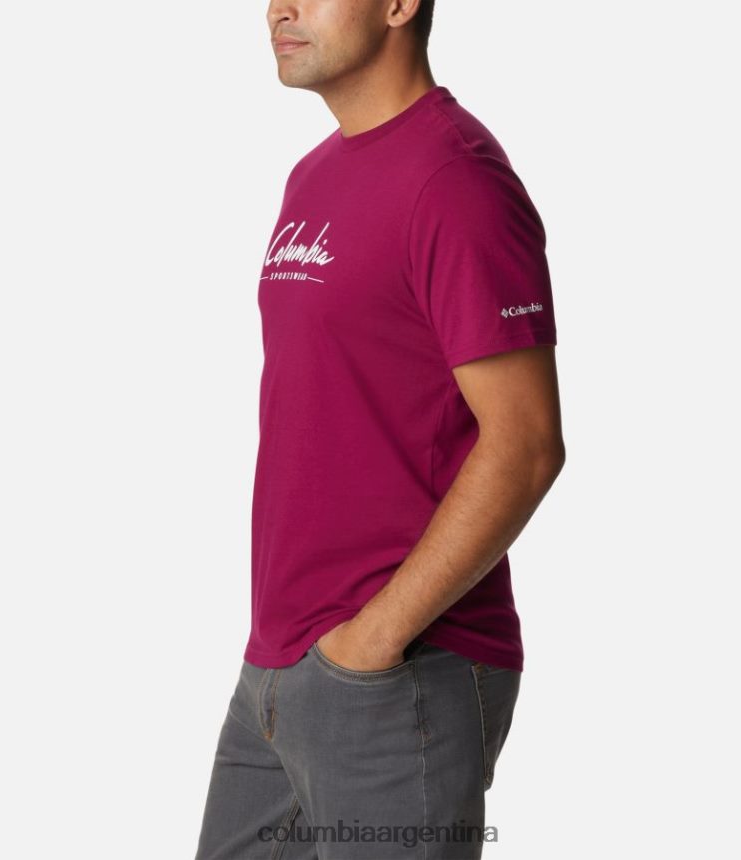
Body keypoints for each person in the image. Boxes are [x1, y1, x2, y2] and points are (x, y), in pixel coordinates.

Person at [195, 1, 566, 857]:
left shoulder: (456, 180)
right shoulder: (312, 177)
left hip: (401, 673)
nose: (279, 9)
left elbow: (526, 444)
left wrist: (373, 641)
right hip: (278, 666)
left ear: (400, 5)